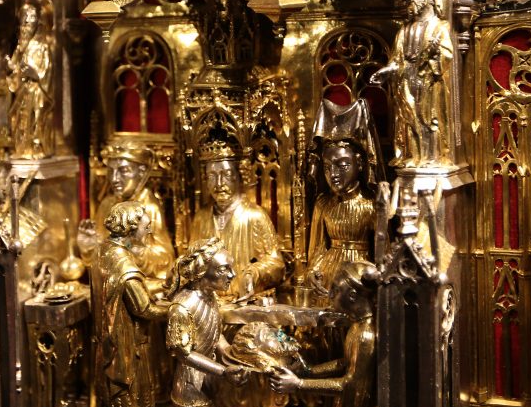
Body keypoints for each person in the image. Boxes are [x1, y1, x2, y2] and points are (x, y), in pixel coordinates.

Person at [270, 261, 376, 407]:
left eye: (336, 290)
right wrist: (308, 371)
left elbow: (348, 384)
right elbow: (344, 363)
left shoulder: (366, 335)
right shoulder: (358, 327)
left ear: (353, 295)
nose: (330, 295)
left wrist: (299, 385)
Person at [87, 201, 172, 407]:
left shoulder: (103, 251)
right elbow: (144, 309)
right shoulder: (124, 264)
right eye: (145, 226)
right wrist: (177, 309)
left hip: (105, 348)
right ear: (130, 227)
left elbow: (125, 293)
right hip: (126, 352)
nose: (148, 230)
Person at [167, 238, 250, 407]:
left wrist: (232, 357)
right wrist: (223, 371)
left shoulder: (210, 297)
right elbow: (184, 353)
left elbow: (216, 336)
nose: (232, 274)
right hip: (191, 388)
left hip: (207, 383)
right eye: (224, 269)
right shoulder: (182, 307)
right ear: (203, 271)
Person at [303, 99, 377, 307]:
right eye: (327, 168)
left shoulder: (371, 204)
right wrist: (313, 271)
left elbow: (382, 251)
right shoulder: (323, 204)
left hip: (359, 278)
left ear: (359, 164)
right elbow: (317, 248)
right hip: (328, 276)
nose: (333, 174)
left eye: (342, 166)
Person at [371, 0, 454, 166]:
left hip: (428, 78)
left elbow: (447, 55)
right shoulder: (404, 30)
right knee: (409, 118)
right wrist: (386, 71)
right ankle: (413, 156)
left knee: (429, 118)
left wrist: (434, 56)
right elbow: (397, 59)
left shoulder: (440, 27)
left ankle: (432, 158)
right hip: (406, 78)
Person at [188, 141, 284, 300]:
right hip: (208, 302)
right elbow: (192, 260)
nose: (219, 184)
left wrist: (253, 274)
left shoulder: (255, 216)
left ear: (239, 176)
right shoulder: (201, 217)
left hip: (244, 303)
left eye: (226, 175)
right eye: (212, 176)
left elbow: (277, 265)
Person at [78, 138, 174, 290]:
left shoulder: (148, 208)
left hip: (139, 282)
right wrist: (89, 248)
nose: (115, 179)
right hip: (111, 283)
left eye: (123, 171)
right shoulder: (107, 205)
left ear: (141, 172)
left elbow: (165, 260)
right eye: (111, 171)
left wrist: (134, 251)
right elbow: (100, 257)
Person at [8, 0, 56, 158]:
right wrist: (12, 69)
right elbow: (14, 73)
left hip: (37, 92)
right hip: (23, 91)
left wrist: (33, 73)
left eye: (28, 24)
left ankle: (37, 149)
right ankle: (21, 149)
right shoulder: (20, 48)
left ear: (36, 25)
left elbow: (46, 72)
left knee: (36, 119)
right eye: (22, 25)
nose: (24, 28)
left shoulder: (42, 46)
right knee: (16, 117)